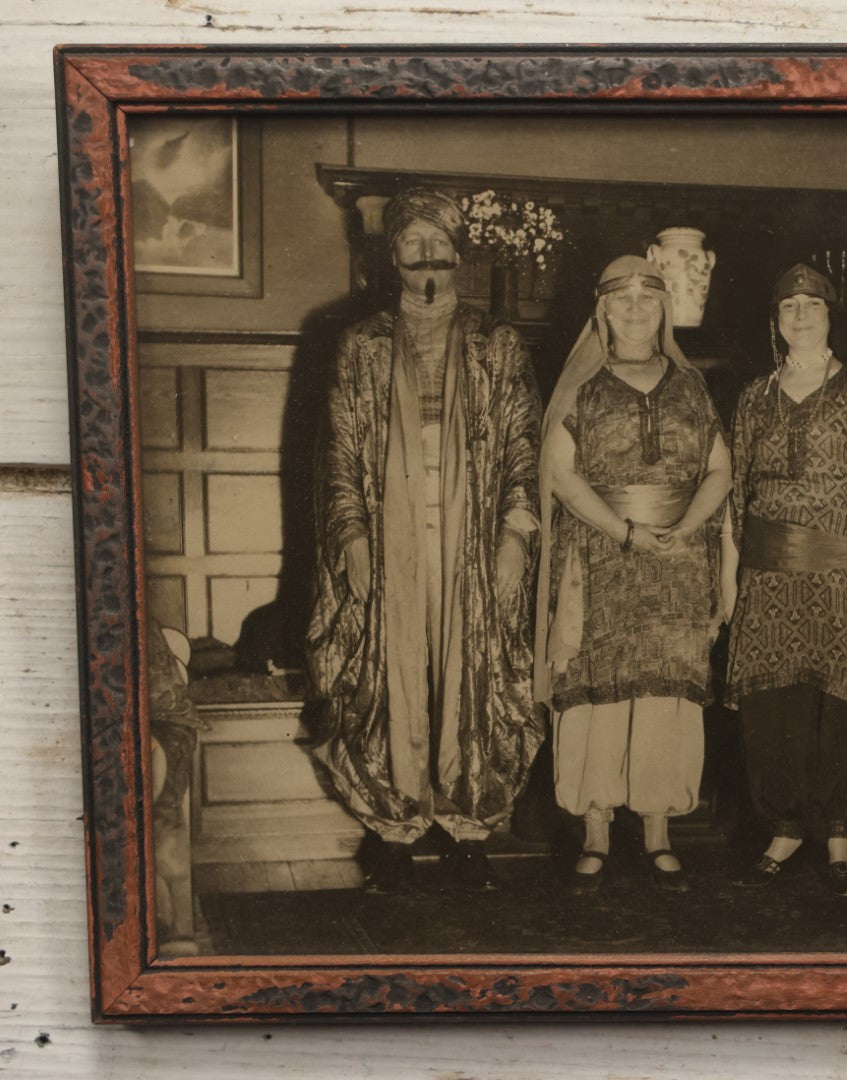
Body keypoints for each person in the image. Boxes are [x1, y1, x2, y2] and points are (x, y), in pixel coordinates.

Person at [305, 187, 545, 894]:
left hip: (473, 531)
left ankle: (468, 829)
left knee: (472, 669)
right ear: (394, 257)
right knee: (392, 671)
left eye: (436, 242)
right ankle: (393, 828)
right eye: (411, 244)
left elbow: (523, 449)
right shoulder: (362, 344)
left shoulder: (497, 342)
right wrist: (351, 535)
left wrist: (514, 536)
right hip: (391, 531)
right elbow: (342, 447)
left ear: (458, 252)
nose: (425, 254)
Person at [536, 255, 732, 894]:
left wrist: (686, 528)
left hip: (678, 562)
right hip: (600, 558)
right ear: (602, 310)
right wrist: (624, 532)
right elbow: (561, 477)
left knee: (665, 690)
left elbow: (719, 469)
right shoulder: (583, 386)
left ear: (665, 308)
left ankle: (657, 830)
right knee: (598, 686)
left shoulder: (692, 385)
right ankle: (595, 829)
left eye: (649, 296)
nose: (636, 308)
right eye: (621, 298)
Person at [724, 263, 847, 899]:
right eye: (788, 306)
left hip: (842, 574)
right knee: (771, 706)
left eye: (812, 304)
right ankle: (783, 826)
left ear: (833, 316)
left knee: (843, 704)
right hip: (769, 575)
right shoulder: (753, 396)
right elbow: (736, 494)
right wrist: (732, 579)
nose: (800, 314)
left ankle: (838, 831)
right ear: (774, 321)